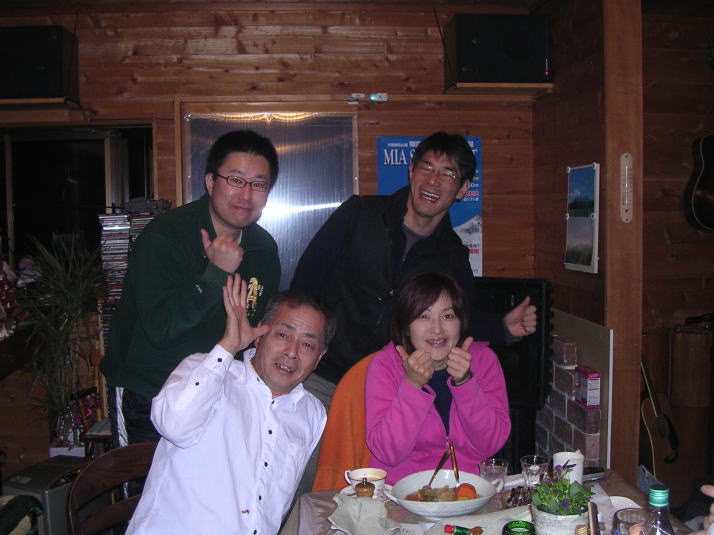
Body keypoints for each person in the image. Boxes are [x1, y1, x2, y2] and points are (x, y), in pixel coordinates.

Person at [291, 131, 536, 406]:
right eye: (426, 167)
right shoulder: (359, 214)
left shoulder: (452, 255)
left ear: (462, 189)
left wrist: (503, 327)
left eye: (447, 173)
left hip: (387, 387)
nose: (433, 180)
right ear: (411, 171)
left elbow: (458, 318)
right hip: (320, 375)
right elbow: (305, 284)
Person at [100, 129, 281, 446]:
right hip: (150, 392)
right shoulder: (165, 236)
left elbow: (253, 326)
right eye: (235, 180)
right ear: (211, 182)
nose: (246, 195)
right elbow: (160, 329)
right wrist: (215, 272)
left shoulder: (263, 249)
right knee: (145, 480)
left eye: (259, 184)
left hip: (219, 393)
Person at [126, 274, 334, 535]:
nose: (291, 352)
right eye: (282, 334)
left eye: (307, 344)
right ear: (260, 335)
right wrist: (227, 347)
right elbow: (173, 426)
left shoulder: (312, 413)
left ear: (319, 358)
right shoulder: (206, 371)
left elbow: (272, 507)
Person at [365, 272, 510, 485]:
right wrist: (412, 385)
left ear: (461, 322)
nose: (437, 329)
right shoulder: (385, 365)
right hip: (403, 492)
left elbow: (490, 445)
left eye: (448, 316)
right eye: (424, 316)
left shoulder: (483, 361)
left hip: (468, 491)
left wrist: (466, 383)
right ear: (406, 325)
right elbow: (387, 452)